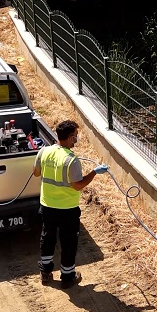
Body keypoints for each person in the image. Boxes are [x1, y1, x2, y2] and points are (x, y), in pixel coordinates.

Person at [32, 120, 109, 288]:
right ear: (70, 137)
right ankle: (67, 277)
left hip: (47, 205)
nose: (77, 138)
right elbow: (78, 185)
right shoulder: (72, 160)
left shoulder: (44, 151)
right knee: (68, 242)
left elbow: (36, 173)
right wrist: (94, 172)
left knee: (47, 237)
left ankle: (45, 272)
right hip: (67, 209)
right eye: (75, 136)